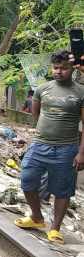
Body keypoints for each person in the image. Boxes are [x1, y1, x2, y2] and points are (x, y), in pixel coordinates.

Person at [15, 50, 84, 244]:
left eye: (64, 68)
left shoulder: (81, 92)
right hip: (40, 145)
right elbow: (36, 116)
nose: (59, 72)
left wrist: (81, 153)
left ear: (72, 70)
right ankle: (37, 217)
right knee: (27, 179)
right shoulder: (42, 89)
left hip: (66, 149)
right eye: (56, 68)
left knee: (62, 190)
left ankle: (55, 229)